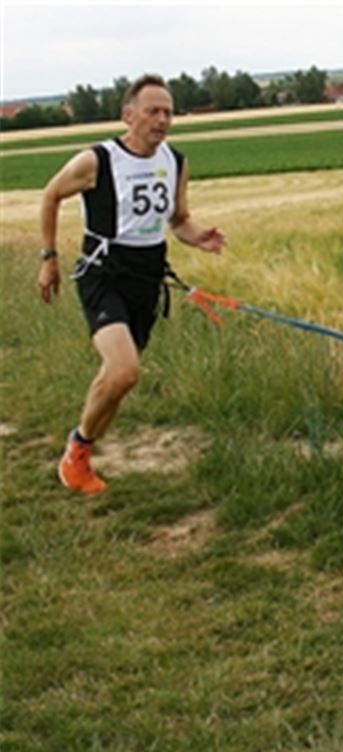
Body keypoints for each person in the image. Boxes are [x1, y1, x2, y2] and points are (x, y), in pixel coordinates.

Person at [37, 74, 226, 494]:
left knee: (120, 379)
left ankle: (80, 450)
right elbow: (50, 195)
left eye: (168, 112)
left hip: (146, 279)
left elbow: (177, 219)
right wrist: (49, 258)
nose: (162, 120)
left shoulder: (175, 160)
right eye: (152, 111)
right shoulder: (97, 160)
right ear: (128, 115)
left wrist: (199, 236)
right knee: (124, 371)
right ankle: (77, 453)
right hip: (103, 276)